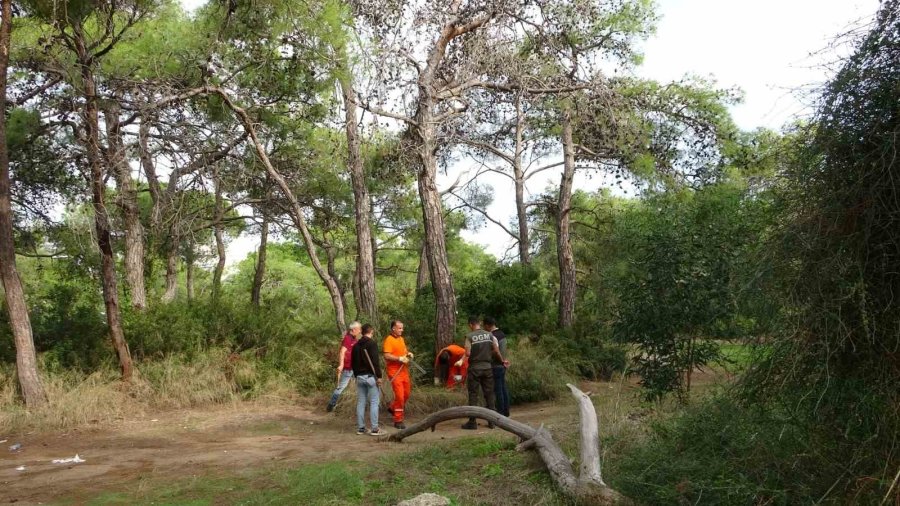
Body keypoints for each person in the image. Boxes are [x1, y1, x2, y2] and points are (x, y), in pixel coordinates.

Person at [461, 316, 509, 430]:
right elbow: (496, 351)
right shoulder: (489, 335)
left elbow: (467, 353)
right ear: (480, 323)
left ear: (471, 325)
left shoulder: (469, 336)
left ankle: (472, 422)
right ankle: (492, 422)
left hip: (475, 369)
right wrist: (501, 361)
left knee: (473, 394)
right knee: (489, 394)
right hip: (488, 368)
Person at [351, 323, 383, 435]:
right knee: (374, 402)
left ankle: (361, 428)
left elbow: (353, 363)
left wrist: (356, 376)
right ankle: (375, 429)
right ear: (371, 331)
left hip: (359, 377)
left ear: (361, 332)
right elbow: (375, 362)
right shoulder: (372, 344)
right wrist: (379, 376)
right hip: (370, 377)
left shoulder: (355, 346)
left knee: (361, 402)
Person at [382, 320, 413, 429]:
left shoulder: (401, 339)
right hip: (394, 371)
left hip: (404, 370)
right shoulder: (388, 340)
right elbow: (387, 355)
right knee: (400, 396)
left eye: (402, 328)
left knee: (407, 394)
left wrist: (408, 354)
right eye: (399, 328)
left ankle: (392, 408)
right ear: (393, 328)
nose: (401, 330)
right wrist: (399, 358)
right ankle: (398, 420)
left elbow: (403, 351)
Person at [327, 321, 361, 412]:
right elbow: (342, 352)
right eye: (359, 329)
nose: (360, 331)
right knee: (341, 386)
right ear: (353, 329)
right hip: (348, 368)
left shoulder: (354, 339)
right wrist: (341, 365)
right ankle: (331, 405)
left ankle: (358, 405)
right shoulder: (347, 338)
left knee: (360, 385)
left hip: (355, 367)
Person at [484, 317, 510, 417]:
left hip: (496, 364)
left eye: (484, 326)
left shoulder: (493, 336)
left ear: (488, 325)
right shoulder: (502, 334)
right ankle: (506, 411)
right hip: (503, 365)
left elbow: (496, 351)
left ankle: (501, 412)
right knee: (503, 388)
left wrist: (487, 354)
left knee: (498, 390)